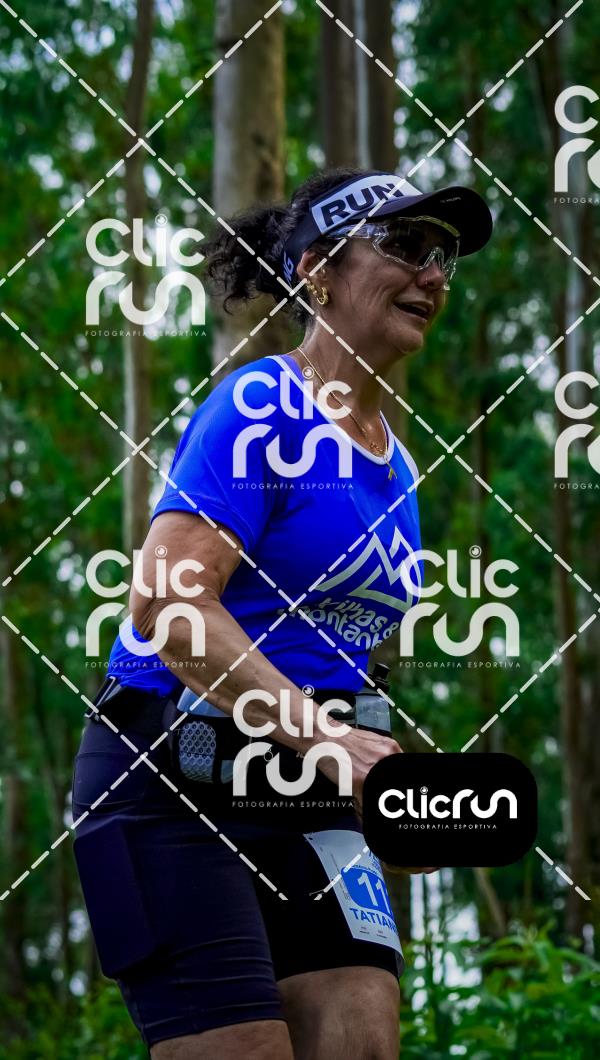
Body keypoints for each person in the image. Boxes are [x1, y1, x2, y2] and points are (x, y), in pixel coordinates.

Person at [72, 167, 493, 1059]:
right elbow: (170, 605)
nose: (432, 275)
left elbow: (341, 659)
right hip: (167, 778)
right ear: (318, 271)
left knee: (364, 1038)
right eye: (405, 245)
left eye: (442, 256)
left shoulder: (397, 466)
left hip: (302, 784)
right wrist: (330, 744)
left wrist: (379, 783)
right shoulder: (264, 407)